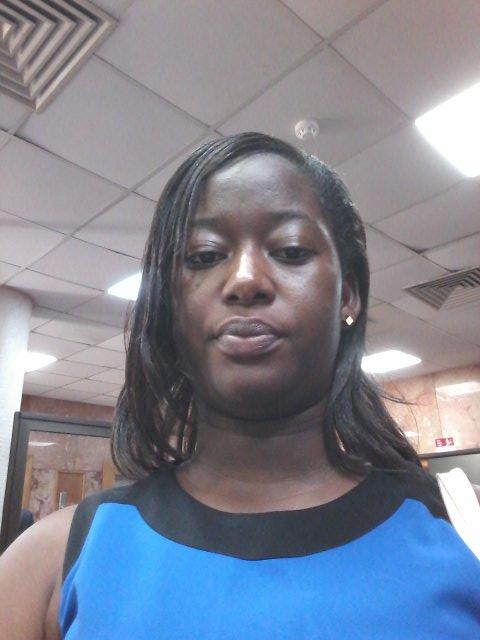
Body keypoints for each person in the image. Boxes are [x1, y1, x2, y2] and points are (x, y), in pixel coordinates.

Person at [0, 132, 479, 639]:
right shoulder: (53, 562)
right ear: (172, 304)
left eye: (290, 250)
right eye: (204, 256)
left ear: (350, 294)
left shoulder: (459, 533)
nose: (245, 279)